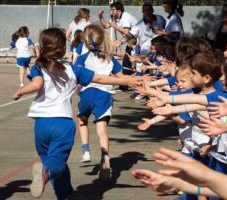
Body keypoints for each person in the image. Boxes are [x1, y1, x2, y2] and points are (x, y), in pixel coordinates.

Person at [12, 28, 139, 199]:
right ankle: (46, 172)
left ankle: (65, 194)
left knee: (51, 160)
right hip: (62, 125)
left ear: (41, 49)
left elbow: (37, 84)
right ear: (63, 49)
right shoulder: (72, 70)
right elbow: (101, 78)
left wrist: (21, 90)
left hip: (41, 125)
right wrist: (127, 80)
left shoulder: (39, 66)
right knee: (55, 163)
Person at [75, 24, 132, 181]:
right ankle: (105, 159)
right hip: (104, 96)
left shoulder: (82, 58)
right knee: (102, 130)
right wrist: (136, 81)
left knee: (81, 120)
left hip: (87, 94)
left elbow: (75, 76)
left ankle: (85, 150)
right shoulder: (110, 59)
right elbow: (122, 79)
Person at [98, 1, 137, 75]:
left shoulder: (125, 16)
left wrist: (115, 26)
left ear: (119, 11)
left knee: (136, 64)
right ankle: (125, 83)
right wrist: (100, 17)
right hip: (130, 43)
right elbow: (105, 26)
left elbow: (126, 31)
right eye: (111, 9)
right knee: (126, 63)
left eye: (113, 9)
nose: (111, 11)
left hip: (138, 43)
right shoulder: (114, 18)